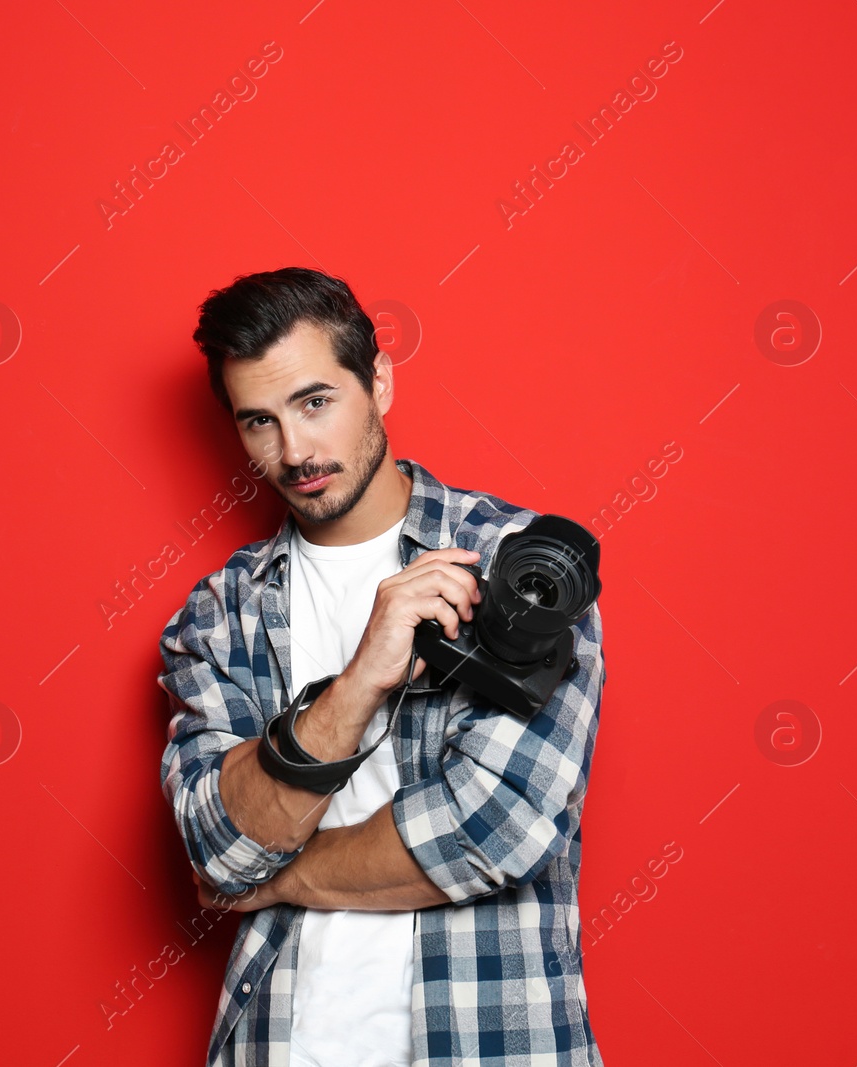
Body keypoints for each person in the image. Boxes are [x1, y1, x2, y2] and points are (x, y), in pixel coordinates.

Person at [156, 267, 607, 1066]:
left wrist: (278, 876)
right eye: (258, 421)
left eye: (315, 402)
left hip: (490, 1041)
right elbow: (218, 849)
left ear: (381, 383)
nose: (294, 451)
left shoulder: (521, 563)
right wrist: (362, 678)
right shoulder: (219, 614)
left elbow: (495, 828)